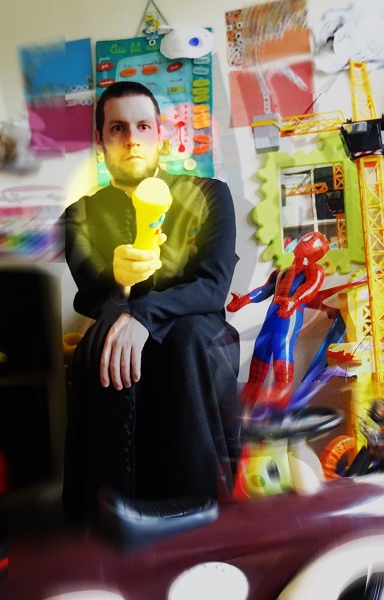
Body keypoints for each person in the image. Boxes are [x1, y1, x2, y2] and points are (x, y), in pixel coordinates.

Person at [61, 81, 241, 524]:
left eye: (143, 126)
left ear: (160, 135)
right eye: (117, 128)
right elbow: (93, 294)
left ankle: (202, 505)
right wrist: (120, 284)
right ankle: (104, 512)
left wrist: (144, 314)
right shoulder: (78, 216)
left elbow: (213, 286)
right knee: (99, 344)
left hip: (197, 331)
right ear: (101, 142)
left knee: (187, 337)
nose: (132, 139)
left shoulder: (210, 194)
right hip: (117, 322)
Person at [227, 231, 329, 408]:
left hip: (289, 313)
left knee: (281, 346)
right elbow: (265, 290)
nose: (304, 242)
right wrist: (244, 300)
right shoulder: (282, 272)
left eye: (310, 241)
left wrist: (294, 301)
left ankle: (282, 395)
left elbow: (310, 288)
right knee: (261, 347)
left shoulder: (314, 270)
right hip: (273, 313)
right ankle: (252, 392)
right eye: (305, 239)